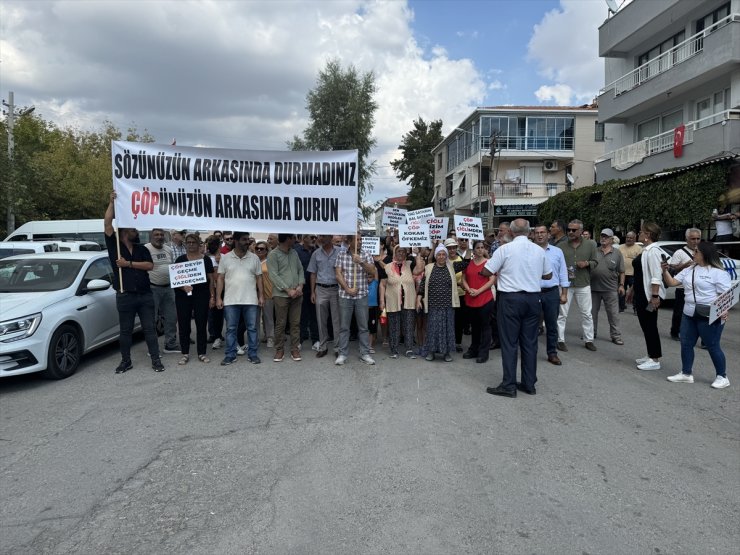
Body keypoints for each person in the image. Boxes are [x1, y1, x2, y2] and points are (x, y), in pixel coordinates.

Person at [482, 219, 551, 397]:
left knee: (510, 343)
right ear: (530, 233)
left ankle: (509, 385)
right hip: (533, 299)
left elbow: (487, 271)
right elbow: (548, 274)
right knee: (529, 343)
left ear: (511, 233)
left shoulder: (504, 249)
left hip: (510, 299)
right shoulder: (539, 250)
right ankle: (529, 383)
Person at [104, 191, 164, 374]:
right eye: (132, 228)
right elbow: (107, 223)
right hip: (125, 294)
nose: (135, 230)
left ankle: (156, 360)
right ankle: (125, 361)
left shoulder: (141, 248)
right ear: (123, 231)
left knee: (149, 330)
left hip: (145, 295)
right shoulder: (115, 245)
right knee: (125, 331)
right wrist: (112, 203)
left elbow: (149, 266)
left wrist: (128, 264)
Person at [661, 242, 731, 388]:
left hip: (710, 314)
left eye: (696, 251)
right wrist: (665, 271)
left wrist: (724, 310)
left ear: (705, 254)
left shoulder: (718, 272)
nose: (693, 253)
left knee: (712, 345)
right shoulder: (690, 269)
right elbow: (673, 282)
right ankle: (686, 373)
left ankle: (722, 376)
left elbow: (727, 295)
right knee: (686, 343)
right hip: (689, 313)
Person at [217, 232, 264, 365]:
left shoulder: (254, 258)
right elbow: (220, 278)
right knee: (231, 329)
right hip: (231, 300)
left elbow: (259, 277)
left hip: (251, 299)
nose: (247, 242)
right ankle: (230, 354)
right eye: (244, 239)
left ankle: (253, 354)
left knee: (252, 328)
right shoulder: (225, 258)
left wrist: (261, 296)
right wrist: (219, 298)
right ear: (236, 241)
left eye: (248, 239)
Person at [626, 222, 665, 371]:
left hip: (650, 296)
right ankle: (650, 354)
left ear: (648, 235)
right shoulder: (646, 250)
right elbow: (642, 274)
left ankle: (655, 359)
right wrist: (633, 289)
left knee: (650, 325)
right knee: (645, 325)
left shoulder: (653, 251)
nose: (639, 234)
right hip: (642, 293)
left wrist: (655, 296)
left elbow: (656, 275)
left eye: (641, 232)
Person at [556, 219, 598, 352]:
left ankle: (589, 340)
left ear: (581, 231)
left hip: (583, 283)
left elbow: (595, 262)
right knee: (562, 314)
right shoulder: (561, 246)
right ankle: (560, 340)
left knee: (586, 313)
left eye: (574, 230)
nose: (570, 232)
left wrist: (587, 263)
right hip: (565, 285)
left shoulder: (591, 245)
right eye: (569, 230)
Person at [334, 234, 377, 365]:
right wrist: (347, 289)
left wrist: (361, 262)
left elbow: (373, 271)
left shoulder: (366, 254)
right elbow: (338, 274)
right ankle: (342, 353)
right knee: (344, 327)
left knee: (363, 327)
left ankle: (365, 353)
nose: (360, 242)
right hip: (345, 295)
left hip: (362, 295)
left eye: (361, 239)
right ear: (350, 241)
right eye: (357, 239)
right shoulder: (342, 254)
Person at [175, 234, 216, 365]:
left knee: (201, 323)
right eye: (189, 242)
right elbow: (175, 280)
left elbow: (211, 280)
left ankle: (201, 352)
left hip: (201, 295)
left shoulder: (206, 260)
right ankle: (185, 353)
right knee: (183, 324)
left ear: (199, 244)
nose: (191, 244)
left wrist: (212, 297)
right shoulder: (180, 259)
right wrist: (183, 287)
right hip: (183, 297)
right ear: (185, 244)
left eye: (194, 242)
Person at [416, 244, 462, 362]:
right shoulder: (429, 267)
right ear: (435, 256)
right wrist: (418, 300)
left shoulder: (452, 266)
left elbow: (467, 262)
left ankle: (446, 353)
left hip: (448, 305)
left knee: (447, 329)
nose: (441, 257)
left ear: (446, 256)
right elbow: (422, 285)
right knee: (432, 329)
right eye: (439, 254)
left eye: (443, 254)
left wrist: (468, 249)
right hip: (433, 305)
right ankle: (431, 352)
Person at [533, 225, 568, 365]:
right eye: (537, 233)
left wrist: (564, 293)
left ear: (548, 234)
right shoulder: (529, 251)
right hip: (533, 292)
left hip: (551, 293)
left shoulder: (557, 252)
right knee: (531, 324)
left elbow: (563, 273)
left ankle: (552, 353)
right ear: (533, 235)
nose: (540, 235)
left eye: (542, 232)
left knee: (552, 325)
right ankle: (530, 351)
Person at [267, 234, 304, 362]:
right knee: (281, 323)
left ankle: (294, 348)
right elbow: (273, 275)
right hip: (281, 295)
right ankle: (279, 349)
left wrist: (300, 286)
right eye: (293, 238)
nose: (295, 240)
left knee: (295, 323)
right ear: (288, 239)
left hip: (297, 294)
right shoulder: (273, 254)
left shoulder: (294, 253)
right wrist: (288, 290)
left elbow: (300, 270)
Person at [379, 246, 420, 359]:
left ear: (406, 253)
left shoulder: (410, 264)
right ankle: (394, 350)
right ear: (395, 253)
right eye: (398, 251)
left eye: (403, 251)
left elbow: (420, 268)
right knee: (393, 326)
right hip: (392, 301)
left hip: (409, 301)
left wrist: (418, 254)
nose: (401, 253)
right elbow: (382, 284)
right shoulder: (387, 267)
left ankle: (409, 349)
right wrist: (382, 301)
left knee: (409, 326)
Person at [144, 228, 179, 354]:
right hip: (152, 288)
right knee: (151, 319)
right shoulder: (146, 249)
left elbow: (173, 266)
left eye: (161, 235)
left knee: (171, 317)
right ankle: (152, 348)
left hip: (169, 288)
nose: (159, 237)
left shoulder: (168, 249)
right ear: (151, 237)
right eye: (156, 235)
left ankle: (170, 344)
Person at [461, 240, 496, 363]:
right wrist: (468, 288)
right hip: (471, 298)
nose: (481, 249)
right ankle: (473, 349)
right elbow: (463, 278)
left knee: (485, 326)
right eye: (478, 247)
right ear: (474, 250)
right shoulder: (468, 263)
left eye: (482, 247)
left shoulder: (489, 263)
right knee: (475, 326)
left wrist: (478, 291)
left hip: (485, 299)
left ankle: (483, 352)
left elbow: (492, 280)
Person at [308, 234, 341, 358]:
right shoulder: (316, 253)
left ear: (330, 237)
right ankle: (323, 347)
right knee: (321, 319)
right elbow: (313, 274)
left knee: (337, 320)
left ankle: (338, 348)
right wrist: (313, 291)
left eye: (323, 236)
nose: (320, 238)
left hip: (336, 289)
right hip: (320, 289)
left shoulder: (340, 252)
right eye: (320, 236)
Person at [591, 228, 625, 345]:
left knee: (613, 314)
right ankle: (591, 333)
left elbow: (621, 271)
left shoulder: (617, 253)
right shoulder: (594, 251)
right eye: (602, 236)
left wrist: (621, 285)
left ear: (611, 239)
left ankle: (616, 336)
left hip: (610, 289)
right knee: (591, 313)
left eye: (606, 237)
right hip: (593, 288)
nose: (603, 238)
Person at [667, 228, 701, 340]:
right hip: (682, 288)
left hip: (698, 288)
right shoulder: (680, 253)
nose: (695, 241)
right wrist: (684, 265)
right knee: (679, 312)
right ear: (687, 239)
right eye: (692, 239)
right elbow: (672, 270)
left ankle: (699, 335)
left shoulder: (702, 251)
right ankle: (675, 331)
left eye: (698, 238)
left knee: (699, 313)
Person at [294, 234, 320, 350]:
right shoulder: (296, 251)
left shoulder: (318, 251)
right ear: (304, 238)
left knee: (315, 315)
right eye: (311, 237)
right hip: (301, 287)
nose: (314, 239)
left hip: (315, 288)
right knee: (301, 315)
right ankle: (299, 339)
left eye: (315, 237)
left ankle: (316, 340)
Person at [445, 237, 467, 353]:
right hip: (447, 295)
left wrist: (463, 284)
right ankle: (448, 340)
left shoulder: (461, 260)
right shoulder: (443, 260)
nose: (452, 250)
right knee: (448, 319)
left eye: (454, 248)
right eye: (449, 248)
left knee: (459, 320)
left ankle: (458, 342)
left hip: (460, 294)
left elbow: (465, 276)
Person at [205, 235, 225, 348]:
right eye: (210, 244)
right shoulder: (205, 258)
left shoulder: (225, 257)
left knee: (223, 313)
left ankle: (220, 334)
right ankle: (215, 335)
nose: (212, 246)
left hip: (225, 288)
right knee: (213, 313)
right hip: (211, 288)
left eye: (215, 244)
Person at [255, 240, 275, 349]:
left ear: (267, 250)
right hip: (254, 292)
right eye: (257, 248)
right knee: (255, 317)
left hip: (268, 291)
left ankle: (270, 337)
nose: (259, 250)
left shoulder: (270, 261)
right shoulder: (253, 261)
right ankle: (256, 338)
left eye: (262, 249)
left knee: (268, 317)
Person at [618, 231, 642, 312]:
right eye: (627, 237)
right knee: (621, 291)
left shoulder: (639, 248)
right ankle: (621, 307)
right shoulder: (620, 247)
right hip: (622, 273)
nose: (628, 239)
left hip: (633, 274)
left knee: (634, 292)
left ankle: (636, 308)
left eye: (631, 238)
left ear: (634, 239)